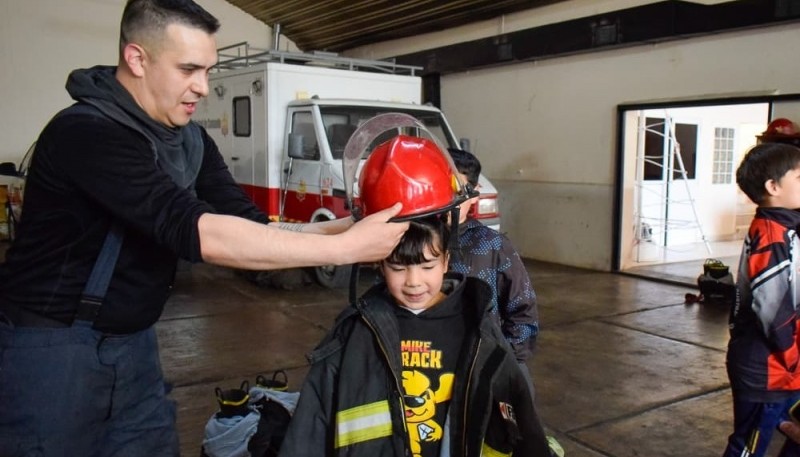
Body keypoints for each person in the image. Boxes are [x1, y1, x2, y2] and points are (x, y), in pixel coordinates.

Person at [0, 1, 408, 455]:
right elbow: (196, 231)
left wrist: (349, 228)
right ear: (137, 59)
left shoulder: (189, 139)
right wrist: (345, 250)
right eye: (188, 69)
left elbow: (247, 224)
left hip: (133, 348)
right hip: (53, 352)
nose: (203, 88)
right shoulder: (87, 133)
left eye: (208, 71)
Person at [277, 134, 551, 457]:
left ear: (448, 259)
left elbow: (522, 426)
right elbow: (309, 431)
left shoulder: (479, 330)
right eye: (398, 267)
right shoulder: (354, 334)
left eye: (427, 266)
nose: (413, 282)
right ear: (378, 263)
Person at [722, 142, 800, 457]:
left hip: (784, 367)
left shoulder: (786, 227)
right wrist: (793, 359)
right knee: (748, 447)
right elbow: (774, 312)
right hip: (768, 369)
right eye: (799, 178)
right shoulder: (772, 235)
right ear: (773, 186)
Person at [447, 147, 539, 396]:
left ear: (474, 195)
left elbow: (523, 310)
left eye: (458, 192)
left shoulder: (493, 246)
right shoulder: (417, 243)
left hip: (485, 366)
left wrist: (506, 361)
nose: (448, 201)